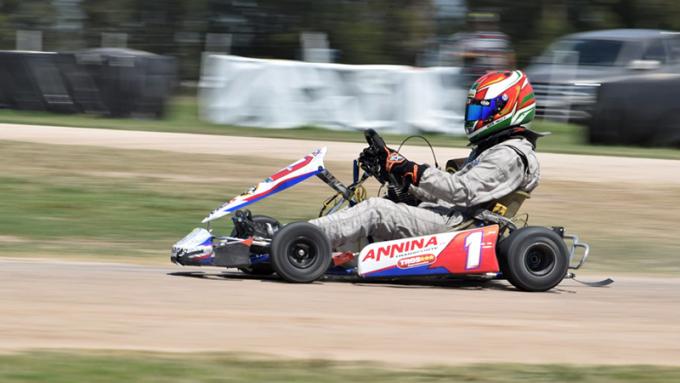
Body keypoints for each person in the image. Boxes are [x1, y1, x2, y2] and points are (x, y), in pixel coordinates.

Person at [309, 70, 543, 249]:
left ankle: (301, 240)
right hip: (452, 217)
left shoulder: (510, 155)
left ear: (506, 109)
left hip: (459, 227)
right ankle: (310, 245)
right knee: (366, 206)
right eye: (473, 112)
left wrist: (413, 170)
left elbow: (462, 191)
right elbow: (446, 192)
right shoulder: (492, 148)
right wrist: (400, 175)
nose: (475, 119)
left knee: (376, 210)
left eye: (481, 112)